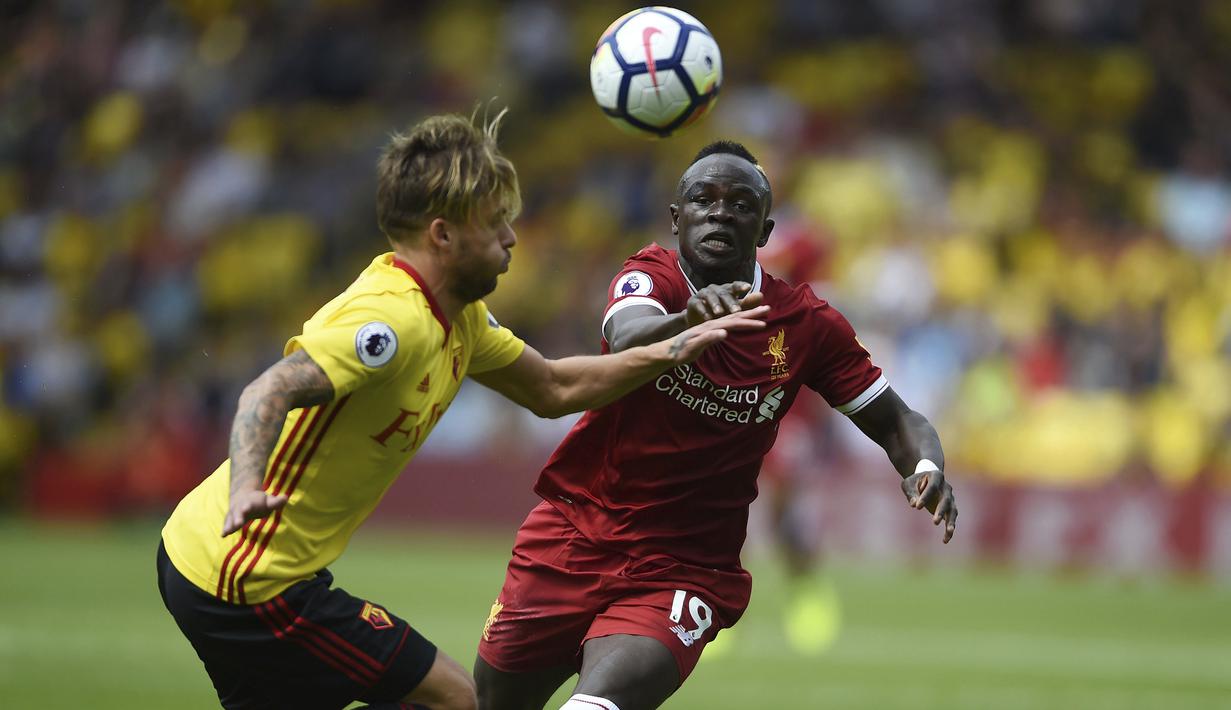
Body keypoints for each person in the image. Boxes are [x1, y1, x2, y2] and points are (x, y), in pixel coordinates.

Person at [156, 113, 767, 710]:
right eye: (496, 223)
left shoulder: (461, 316)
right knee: (452, 697)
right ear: (443, 235)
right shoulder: (392, 321)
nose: (512, 239)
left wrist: (672, 345)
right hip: (244, 576)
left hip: (225, 564)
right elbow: (267, 392)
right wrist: (244, 490)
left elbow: (552, 387)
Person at [475, 141, 958, 710]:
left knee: (597, 704)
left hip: (686, 567)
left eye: (740, 204)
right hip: (574, 533)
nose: (720, 212)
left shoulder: (804, 324)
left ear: (764, 229)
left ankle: (807, 598)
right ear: (677, 217)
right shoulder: (649, 278)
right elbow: (628, 337)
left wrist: (924, 464)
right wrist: (688, 322)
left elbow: (897, 419)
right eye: (703, 199)